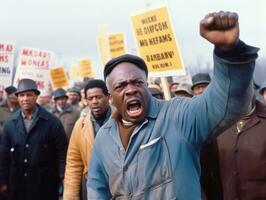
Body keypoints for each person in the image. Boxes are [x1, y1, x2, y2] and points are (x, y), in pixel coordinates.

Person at [86, 11, 259, 199]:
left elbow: (225, 104)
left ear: (147, 84)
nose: (130, 90)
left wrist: (230, 53)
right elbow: (97, 189)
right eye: (121, 86)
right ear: (111, 96)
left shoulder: (177, 116)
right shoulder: (104, 138)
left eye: (137, 82)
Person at [0, 78, 68, 200]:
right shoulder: (10, 124)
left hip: (45, 186)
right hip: (17, 186)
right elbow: (4, 155)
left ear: (36, 96)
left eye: (29, 95)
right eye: (22, 95)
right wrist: (3, 181)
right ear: (17, 97)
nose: (25, 98)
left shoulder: (52, 122)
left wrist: (63, 178)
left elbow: (62, 153)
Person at [63, 79, 111, 200]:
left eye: (98, 97)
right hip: (93, 189)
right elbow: (73, 163)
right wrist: (70, 196)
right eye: (90, 98)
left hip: (121, 186)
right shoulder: (80, 125)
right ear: (86, 101)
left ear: (108, 96)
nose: (94, 102)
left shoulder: (122, 120)